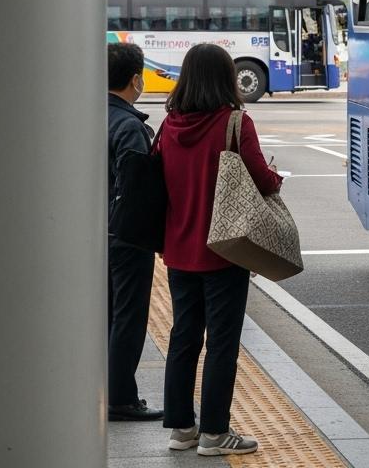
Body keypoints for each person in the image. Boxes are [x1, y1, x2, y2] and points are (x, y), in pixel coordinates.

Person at [157, 43, 281, 457]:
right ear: (226, 77)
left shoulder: (169, 124)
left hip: (177, 248)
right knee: (222, 342)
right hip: (225, 251)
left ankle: (181, 429)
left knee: (183, 337)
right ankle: (214, 432)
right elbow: (262, 180)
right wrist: (277, 178)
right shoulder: (234, 123)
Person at [105, 43, 163, 422]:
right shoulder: (129, 126)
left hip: (91, 234)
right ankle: (122, 397)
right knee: (128, 315)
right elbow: (136, 190)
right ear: (136, 79)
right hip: (125, 238)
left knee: (103, 314)